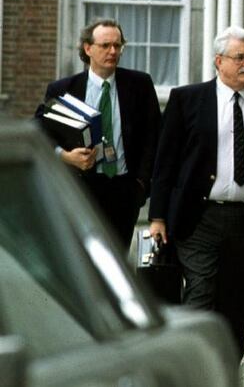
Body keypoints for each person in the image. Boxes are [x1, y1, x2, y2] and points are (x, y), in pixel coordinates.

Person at [148, 26, 244, 360]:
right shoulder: (188, 99)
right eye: (239, 57)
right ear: (218, 61)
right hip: (199, 217)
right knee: (200, 292)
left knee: (237, 301)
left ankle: (225, 368)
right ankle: (191, 368)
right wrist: (157, 216)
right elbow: (165, 162)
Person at [35, 18, 160, 252]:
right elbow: (40, 132)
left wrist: (140, 185)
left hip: (124, 189)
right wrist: (65, 156)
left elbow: (153, 137)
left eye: (118, 45)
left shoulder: (139, 85)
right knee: (81, 259)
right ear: (88, 48)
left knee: (117, 261)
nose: (113, 51)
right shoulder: (64, 89)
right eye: (105, 46)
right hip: (81, 189)